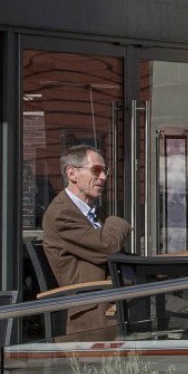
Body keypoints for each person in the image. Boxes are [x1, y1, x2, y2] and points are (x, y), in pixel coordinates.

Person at [40, 145, 131, 339]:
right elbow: (108, 247)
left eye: (105, 171)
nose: (104, 177)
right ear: (72, 173)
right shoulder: (61, 213)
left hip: (114, 298)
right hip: (95, 312)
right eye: (96, 170)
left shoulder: (93, 210)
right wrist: (117, 221)